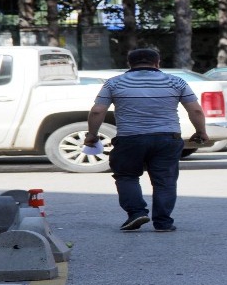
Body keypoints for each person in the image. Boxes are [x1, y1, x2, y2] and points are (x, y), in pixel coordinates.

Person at [85, 48, 209, 232]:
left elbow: (97, 111)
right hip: (167, 138)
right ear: (157, 63)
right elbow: (196, 110)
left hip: (129, 139)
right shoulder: (176, 82)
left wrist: (92, 135)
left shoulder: (114, 83)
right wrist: (201, 131)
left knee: (127, 176)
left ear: (129, 63)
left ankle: (136, 213)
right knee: (165, 181)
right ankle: (163, 222)